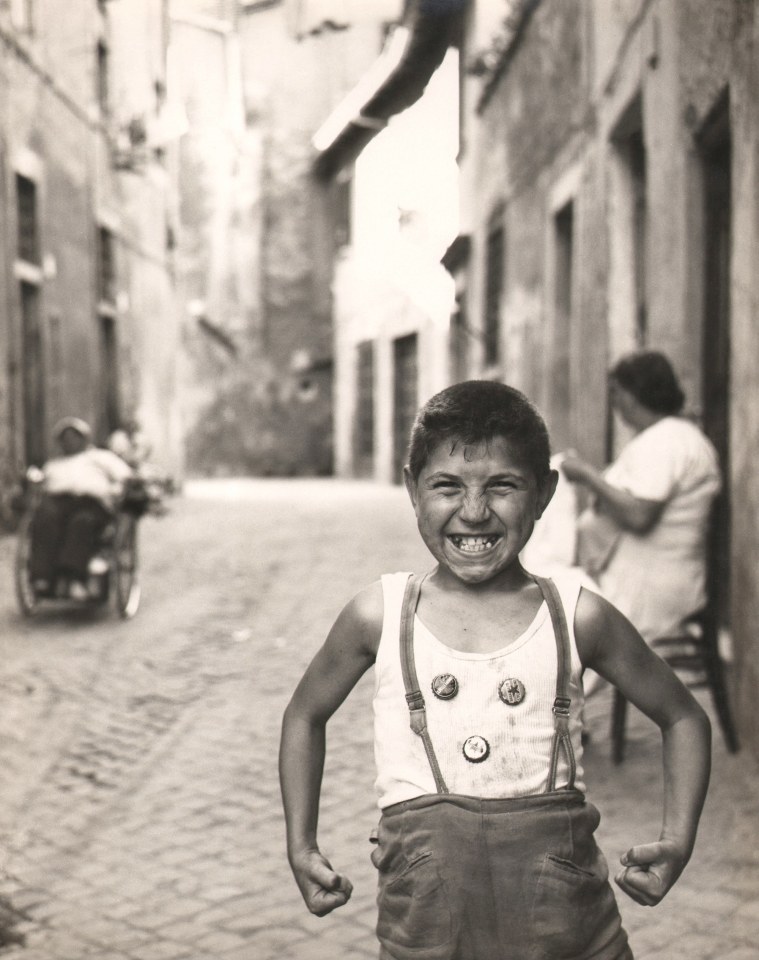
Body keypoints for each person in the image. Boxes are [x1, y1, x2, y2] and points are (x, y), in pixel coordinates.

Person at [280, 380, 711, 960]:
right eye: (446, 486)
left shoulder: (576, 617)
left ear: (545, 492)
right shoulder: (378, 615)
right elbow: (305, 715)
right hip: (425, 932)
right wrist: (300, 844)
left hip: (572, 933)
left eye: (503, 486)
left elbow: (683, 717)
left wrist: (678, 839)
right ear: (412, 489)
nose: (475, 512)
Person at [561, 350, 721, 644]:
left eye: (616, 393)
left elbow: (639, 515)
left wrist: (587, 475)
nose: (615, 404)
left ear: (633, 394)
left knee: (558, 612)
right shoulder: (666, 437)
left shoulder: (668, 440)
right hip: (643, 580)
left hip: (650, 588)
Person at [29, 417, 133, 600]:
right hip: (59, 502)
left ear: (84, 439)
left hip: (91, 503)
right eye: (65, 437)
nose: (69, 441)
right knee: (44, 516)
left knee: (81, 522)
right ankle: (42, 577)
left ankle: (74, 578)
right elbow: (42, 485)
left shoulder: (101, 457)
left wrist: (117, 489)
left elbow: (125, 476)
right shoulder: (54, 464)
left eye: (74, 436)